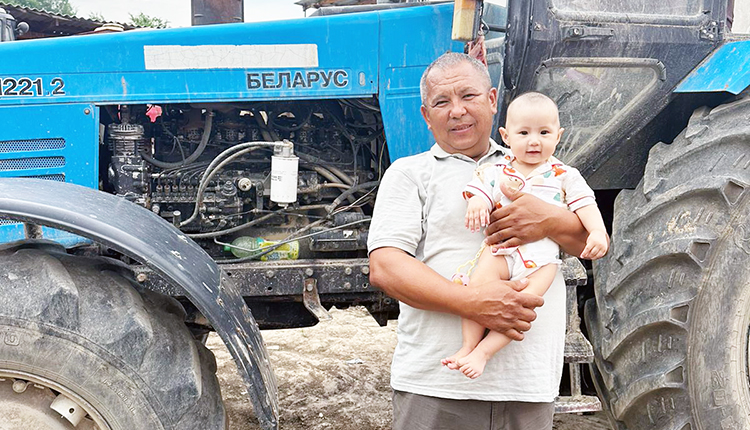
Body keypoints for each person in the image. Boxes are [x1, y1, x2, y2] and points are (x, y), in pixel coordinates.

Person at [368, 52, 590, 430]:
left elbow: (585, 242)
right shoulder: (409, 174)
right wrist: (474, 303)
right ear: (426, 115)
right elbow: (386, 267)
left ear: (491, 101)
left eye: (468, 96)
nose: (456, 111)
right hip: (437, 387)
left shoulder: (545, 169)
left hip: (527, 386)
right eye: (442, 102)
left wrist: (548, 218)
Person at [442, 92, 609, 379]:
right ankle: (468, 345)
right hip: (498, 252)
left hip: (542, 261)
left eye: (544, 132)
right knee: (476, 292)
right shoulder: (495, 171)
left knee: (520, 309)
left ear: (559, 135)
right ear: (506, 136)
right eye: (524, 132)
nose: (534, 141)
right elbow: (479, 190)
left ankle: (484, 353)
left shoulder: (564, 175)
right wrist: (477, 204)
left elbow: (585, 205)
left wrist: (598, 232)